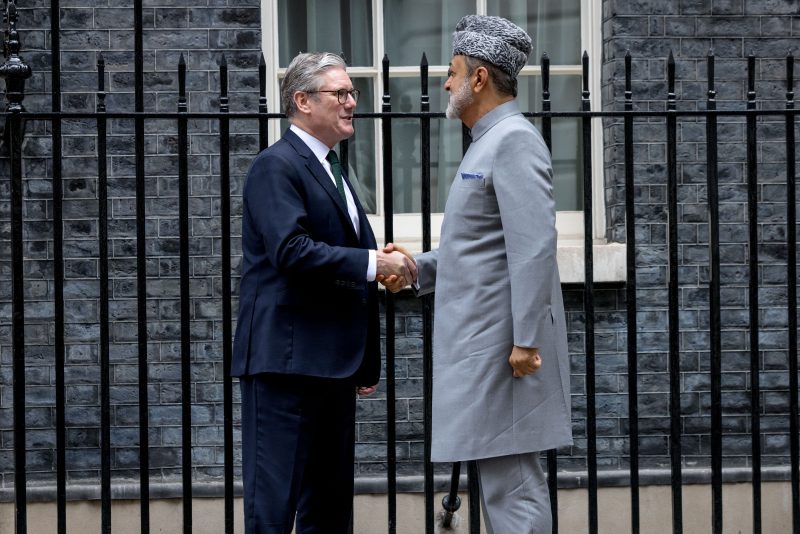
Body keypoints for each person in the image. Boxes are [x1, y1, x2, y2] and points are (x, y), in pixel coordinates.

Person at [382, 15, 572, 534]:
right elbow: (478, 249)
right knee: (500, 483)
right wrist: (414, 268)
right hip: (489, 349)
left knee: (512, 488)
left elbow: (534, 248)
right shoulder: (488, 143)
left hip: (505, 354)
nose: (445, 82)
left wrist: (527, 341)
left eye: (452, 70)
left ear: (480, 78)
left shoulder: (512, 141)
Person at [232, 51, 416, 534]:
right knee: (272, 512)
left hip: (334, 367)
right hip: (285, 368)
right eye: (340, 93)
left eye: (352, 92)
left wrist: (378, 273)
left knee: (330, 512)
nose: (352, 102)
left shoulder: (334, 170)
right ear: (302, 101)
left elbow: (342, 257)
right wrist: (373, 263)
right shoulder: (276, 166)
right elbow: (291, 251)